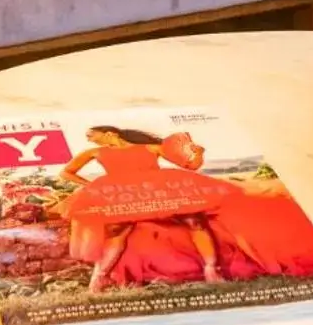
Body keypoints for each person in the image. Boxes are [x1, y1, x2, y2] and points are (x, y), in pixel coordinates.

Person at [55, 125, 228, 292]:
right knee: (118, 229)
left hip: (159, 190)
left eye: (91, 134)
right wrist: (92, 185)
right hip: (124, 193)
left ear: (109, 133)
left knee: (194, 221)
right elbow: (66, 172)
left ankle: (212, 269)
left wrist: (199, 153)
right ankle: (100, 277)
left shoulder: (151, 148)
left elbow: (191, 166)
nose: (88, 138)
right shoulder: (93, 152)